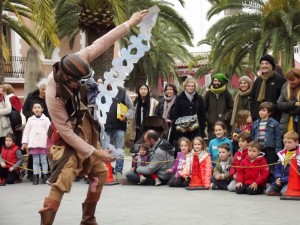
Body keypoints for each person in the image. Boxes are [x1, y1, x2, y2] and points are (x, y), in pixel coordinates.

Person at [38, 10, 148, 225]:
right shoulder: (53, 93)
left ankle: (88, 220)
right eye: (77, 82)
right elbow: (66, 131)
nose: (81, 84)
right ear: (67, 78)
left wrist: (130, 22)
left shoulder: (79, 59)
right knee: (62, 179)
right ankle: (46, 221)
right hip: (67, 138)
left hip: (88, 127)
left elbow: (104, 41)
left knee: (99, 174)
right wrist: (94, 150)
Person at [101, 84, 135, 180]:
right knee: (105, 150)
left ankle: (119, 171)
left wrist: (127, 116)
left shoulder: (123, 93)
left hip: (119, 126)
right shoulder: (101, 92)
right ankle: (106, 171)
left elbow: (132, 108)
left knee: (120, 150)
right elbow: (96, 108)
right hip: (105, 127)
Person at [22, 78, 49, 181]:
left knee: (44, 157)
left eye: (46, 89)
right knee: (33, 157)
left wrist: (44, 118)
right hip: (32, 124)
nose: (44, 91)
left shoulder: (49, 97)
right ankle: (32, 174)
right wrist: (32, 117)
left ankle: (46, 174)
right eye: (42, 89)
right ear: (39, 88)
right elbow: (25, 109)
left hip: (43, 126)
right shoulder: (31, 96)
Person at [170, 78, 206, 151]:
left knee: (196, 150)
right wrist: (176, 129)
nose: (190, 88)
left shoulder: (199, 98)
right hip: (182, 130)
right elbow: (176, 114)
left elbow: (202, 115)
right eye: (188, 86)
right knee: (183, 150)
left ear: (195, 87)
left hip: (196, 129)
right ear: (185, 87)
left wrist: (202, 130)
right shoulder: (179, 98)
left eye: (192, 86)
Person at [251, 102, 282, 183]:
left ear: (269, 112)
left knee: (271, 166)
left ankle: (272, 183)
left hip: (269, 149)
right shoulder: (255, 123)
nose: (261, 112)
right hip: (259, 149)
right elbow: (253, 136)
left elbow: (278, 137)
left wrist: (278, 149)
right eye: (260, 110)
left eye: (264, 110)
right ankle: (261, 182)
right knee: (260, 166)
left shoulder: (274, 123)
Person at [250, 54, 286, 121]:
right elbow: (252, 98)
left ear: (272, 65)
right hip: (258, 118)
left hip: (274, 118)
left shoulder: (280, 80)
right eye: (262, 63)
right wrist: (253, 112)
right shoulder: (258, 81)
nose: (264, 65)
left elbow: (283, 99)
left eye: (266, 63)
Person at [266, 131, 300, 196]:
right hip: (281, 180)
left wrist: (283, 180)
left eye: (289, 142)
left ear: (296, 142)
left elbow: (297, 172)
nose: (287, 144)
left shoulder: (298, 155)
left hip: (292, 181)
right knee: (269, 191)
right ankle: (281, 188)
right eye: (285, 142)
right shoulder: (282, 154)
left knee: (284, 192)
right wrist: (278, 177)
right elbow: (277, 168)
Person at [204, 73, 233, 139]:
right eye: (215, 81)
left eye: (218, 81)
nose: (216, 83)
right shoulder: (208, 94)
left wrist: (226, 117)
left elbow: (232, 108)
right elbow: (204, 108)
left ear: (222, 82)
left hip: (224, 124)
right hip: (211, 125)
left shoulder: (227, 94)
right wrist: (208, 118)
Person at [277, 68, 300, 141]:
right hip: (287, 123)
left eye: (292, 80)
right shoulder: (285, 86)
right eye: (288, 80)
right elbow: (279, 104)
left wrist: (288, 108)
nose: (290, 82)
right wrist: (294, 104)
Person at [2, 83, 24, 148]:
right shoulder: (8, 98)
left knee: (15, 142)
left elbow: (17, 110)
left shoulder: (12, 98)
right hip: (11, 124)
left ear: (5, 91)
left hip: (13, 124)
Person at [0, 85, 12, 149]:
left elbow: (9, 110)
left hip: (5, 127)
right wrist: (3, 112)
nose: (0, 89)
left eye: (1, 87)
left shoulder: (5, 97)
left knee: (5, 147)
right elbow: (6, 110)